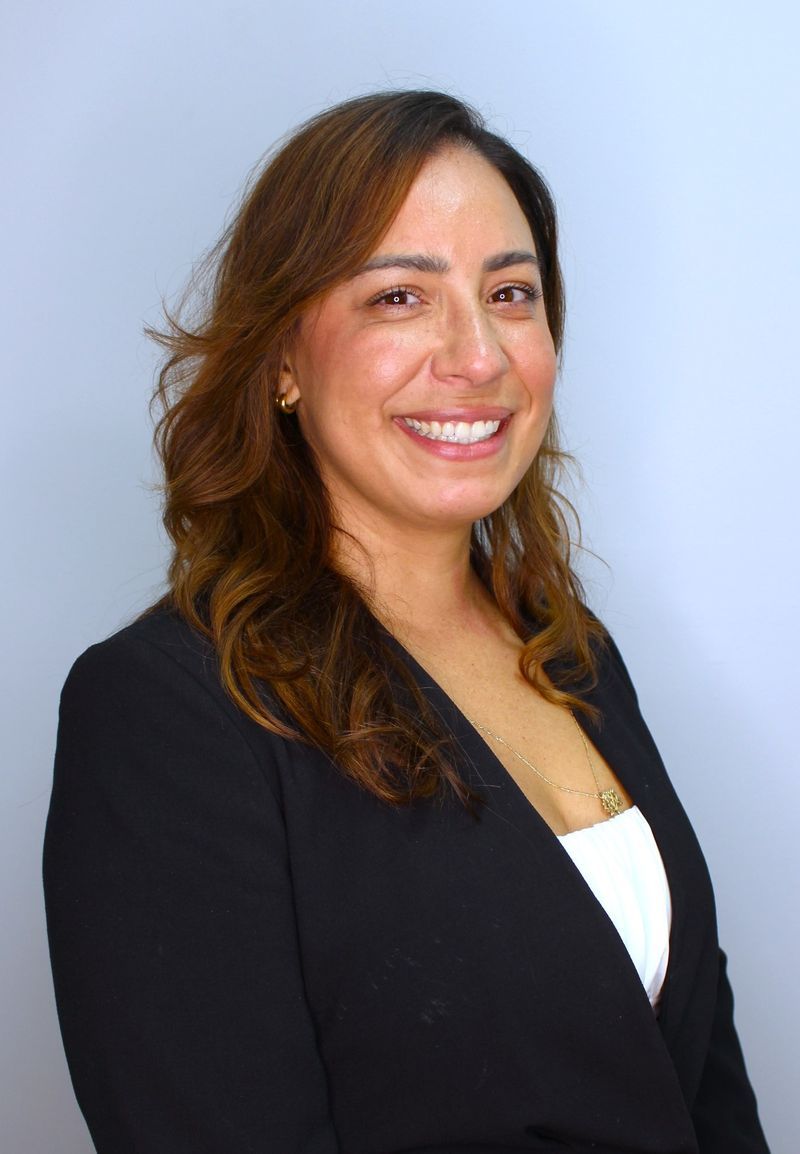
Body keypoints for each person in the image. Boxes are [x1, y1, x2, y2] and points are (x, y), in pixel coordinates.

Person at [43, 90, 770, 1154]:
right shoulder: (167, 712)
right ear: (282, 357)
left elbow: (699, 1083)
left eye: (510, 293)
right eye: (397, 297)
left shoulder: (568, 651)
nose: (476, 355)